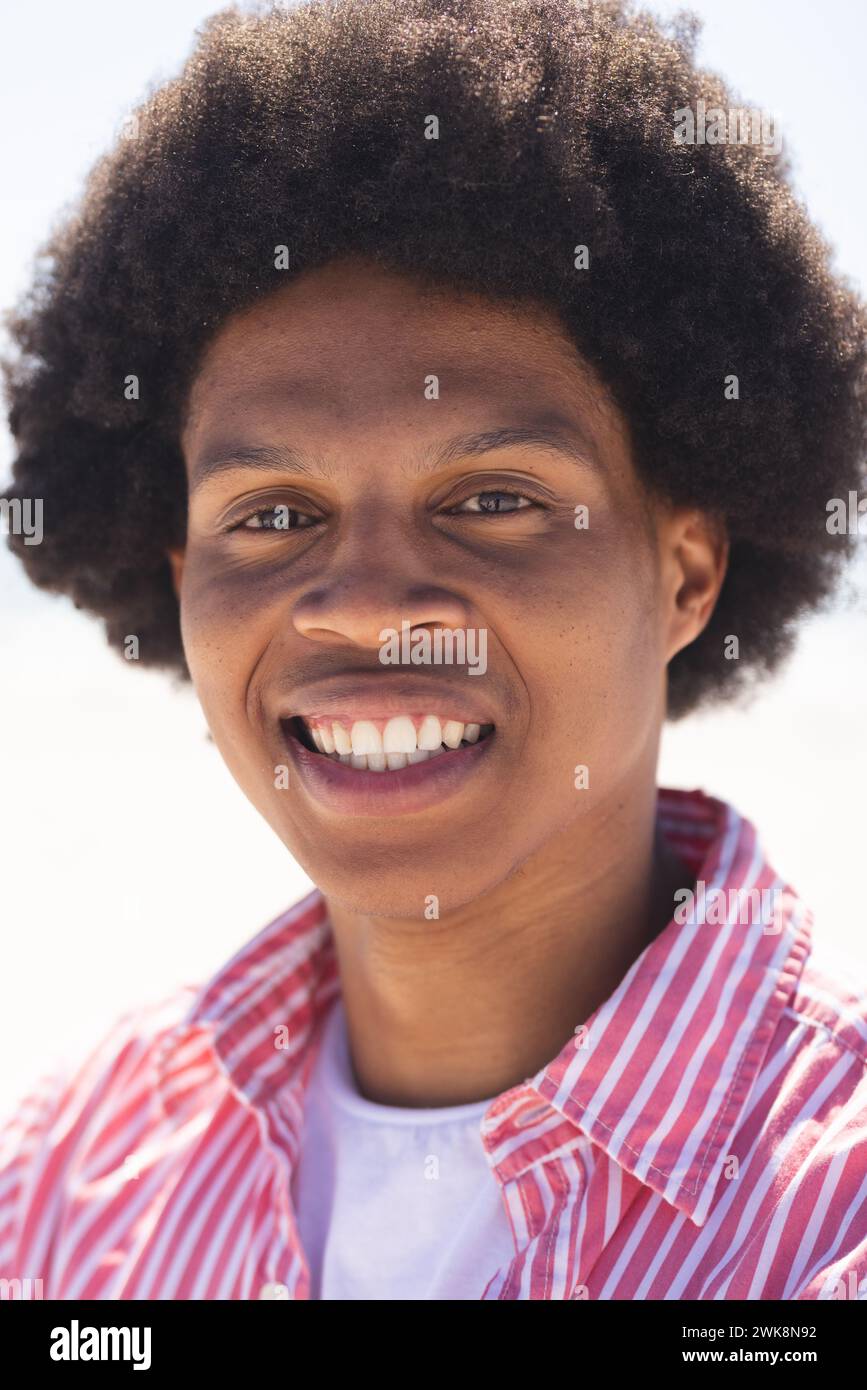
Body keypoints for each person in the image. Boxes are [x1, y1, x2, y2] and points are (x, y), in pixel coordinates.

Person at [1, 0, 866, 1301]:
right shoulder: (58, 1185)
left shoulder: (829, 1221)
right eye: (274, 515)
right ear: (181, 578)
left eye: (493, 498)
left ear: (684, 568)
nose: (362, 604)